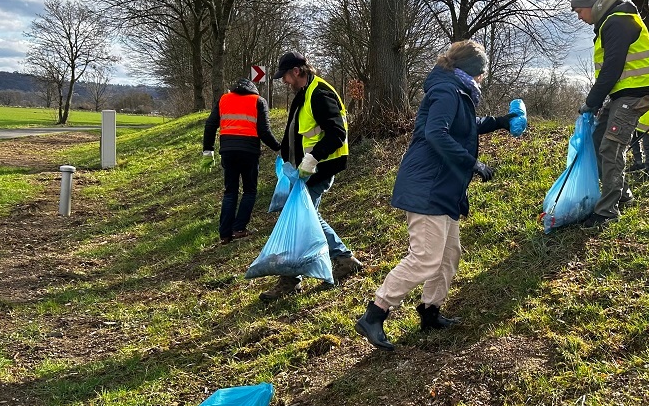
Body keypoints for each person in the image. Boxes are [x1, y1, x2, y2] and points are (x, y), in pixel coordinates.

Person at [354, 40, 521, 351]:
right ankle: (375, 314)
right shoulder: (447, 90)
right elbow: (436, 133)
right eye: (483, 73)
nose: (483, 79)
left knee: (448, 254)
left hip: (443, 188)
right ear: (475, 72)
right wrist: (471, 163)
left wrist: (500, 122)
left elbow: (466, 126)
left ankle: (430, 312)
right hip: (428, 186)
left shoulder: (455, 90)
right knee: (426, 258)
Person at [258, 52, 363, 301]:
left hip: (320, 167)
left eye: (285, 76)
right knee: (303, 218)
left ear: (296, 71)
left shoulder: (319, 93)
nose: (284, 81)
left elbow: (336, 133)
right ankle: (342, 259)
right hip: (307, 168)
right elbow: (298, 130)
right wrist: (284, 154)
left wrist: (313, 157)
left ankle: (293, 278)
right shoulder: (305, 93)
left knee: (300, 219)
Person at [570, 0, 649, 228]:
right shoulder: (610, 22)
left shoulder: (617, 22)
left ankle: (608, 211)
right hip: (623, 94)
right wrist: (598, 102)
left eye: (579, 11)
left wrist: (592, 102)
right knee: (599, 139)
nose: (579, 17)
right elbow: (612, 72)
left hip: (636, 94)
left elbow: (612, 68)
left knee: (611, 146)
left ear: (591, 5)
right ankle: (622, 194)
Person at [203, 78, 281, 245]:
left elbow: (210, 125)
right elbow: (264, 131)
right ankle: (239, 229)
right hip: (249, 152)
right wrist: (278, 148)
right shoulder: (258, 101)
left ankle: (224, 234)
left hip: (228, 151)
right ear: (253, 90)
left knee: (230, 192)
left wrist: (208, 150)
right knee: (249, 191)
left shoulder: (224, 99)